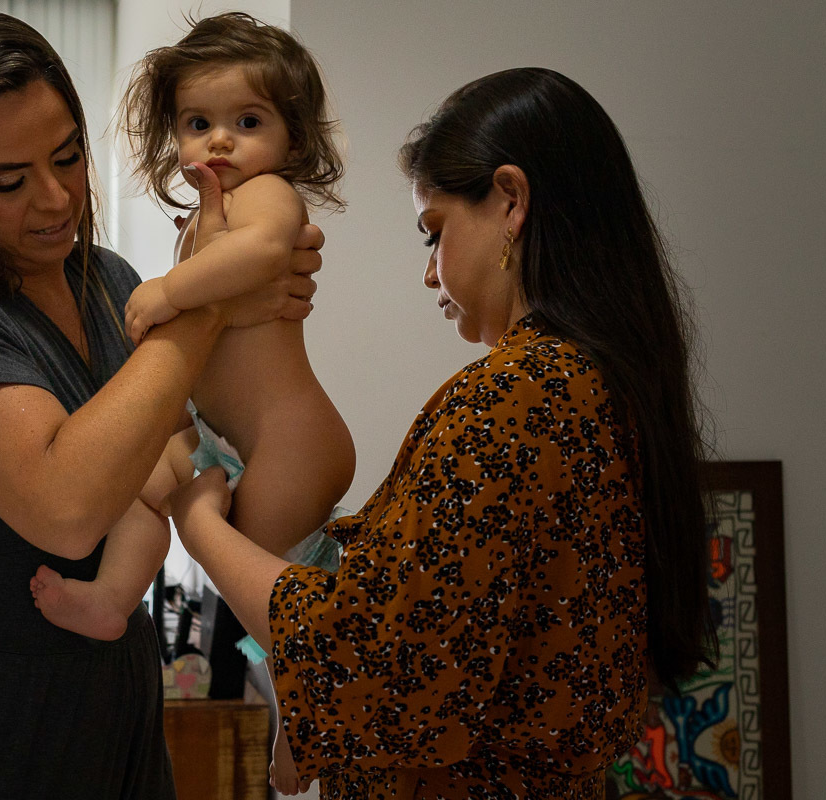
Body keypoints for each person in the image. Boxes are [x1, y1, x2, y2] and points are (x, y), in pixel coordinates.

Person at [168, 67, 717, 799]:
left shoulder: (517, 398)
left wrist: (199, 527)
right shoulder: (598, 388)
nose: (431, 275)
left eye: (435, 233)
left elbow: (370, 661)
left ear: (511, 201)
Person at [0, 10, 323, 798]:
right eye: (8, 182)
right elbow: (65, 507)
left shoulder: (110, 282)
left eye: (68, 157)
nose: (57, 198)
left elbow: (170, 446)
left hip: (110, 707)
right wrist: (215, 300)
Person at [28, 13, 355, 793]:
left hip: (287, 439)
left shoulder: (270, 197)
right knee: (142, 484)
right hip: (221, 435)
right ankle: (113, 598)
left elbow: (268, 253)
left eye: (249, 122)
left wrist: (174, 287)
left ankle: (311, 716)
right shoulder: (206, 214)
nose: (220, 142)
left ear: (292, 136)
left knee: (270, 601)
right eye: (198, 123)